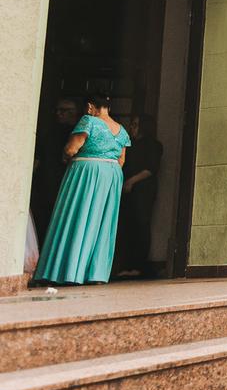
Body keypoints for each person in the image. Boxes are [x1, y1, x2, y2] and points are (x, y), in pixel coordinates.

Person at [34, 90, 130, 285]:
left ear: (88, 106)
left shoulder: (89, 121)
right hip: (111, 175)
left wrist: (67, 158)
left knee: (77, 216)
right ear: (108, 106)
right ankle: (96, 274)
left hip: (87, 172)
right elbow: (121, 159)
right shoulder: (122, 129)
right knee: (103, 222)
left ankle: (70, 272)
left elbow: (71, 149)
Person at [115, 113, 163, 278]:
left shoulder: (154, 145)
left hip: (144, 190)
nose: (131, 127)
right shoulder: (130, 145)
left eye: (135, 124)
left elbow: (150, 168)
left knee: (142, 226)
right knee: (128, 227)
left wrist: (131, 181)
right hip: (128, 190)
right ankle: (126, 265)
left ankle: (138, 266)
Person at [30, 97, 81, 246]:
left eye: (63, 110)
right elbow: (37, 159)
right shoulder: (48, 135)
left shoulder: (80, 134)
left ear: (74, 112)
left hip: (70, 184)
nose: (58, 113)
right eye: (57, 110)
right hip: (47, 185)